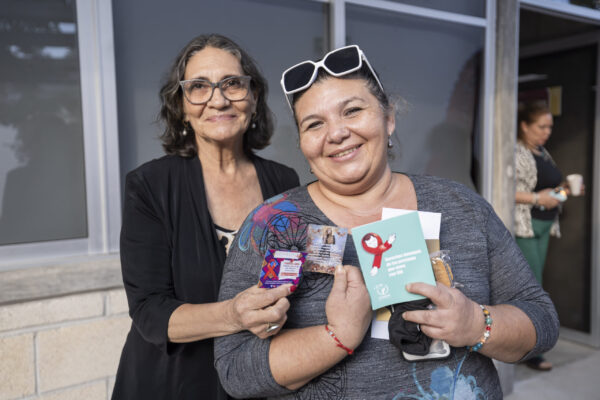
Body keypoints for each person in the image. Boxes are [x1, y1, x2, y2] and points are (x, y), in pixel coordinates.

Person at [214, 45, 559, 399]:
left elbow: (542, 320)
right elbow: (234, 370)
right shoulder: (271, 225)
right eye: (314, 124)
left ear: (389, 118)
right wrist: (335, 336)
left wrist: (475, 323)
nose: (336, 133)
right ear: (302, 143)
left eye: (352, 110)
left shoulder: (461, 207)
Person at [112, 34, 299, 399]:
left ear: (254, 97)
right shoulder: (150, 185)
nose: (218, 99)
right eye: (199, 87)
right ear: (181, 106)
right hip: (171, 384)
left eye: (232, 83)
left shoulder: (284, 182)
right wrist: (234, 315)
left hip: (258, 380)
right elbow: (149, 312)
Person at [513, 101, 577, 371]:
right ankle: (530, 350)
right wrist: (537, 198)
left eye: (549, 127)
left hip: (544, 226)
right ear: (524, 126)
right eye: (541, 127)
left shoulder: (542, 152)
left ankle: (527, 344)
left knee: (535, 284)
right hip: (524, 226)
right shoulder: (515, 151)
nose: (547, 132)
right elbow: (502, 189)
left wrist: (565, 190)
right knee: (532, 288)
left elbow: (550, 191)